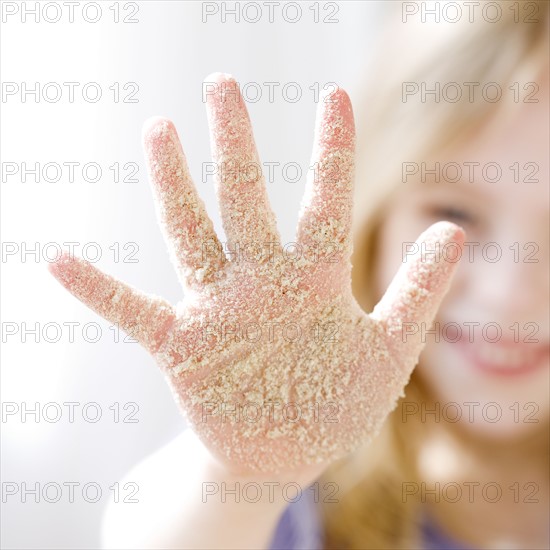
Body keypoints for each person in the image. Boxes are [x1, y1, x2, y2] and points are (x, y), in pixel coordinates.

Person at [49, 2, 549, 548]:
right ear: (377, 220)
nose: (511, 296)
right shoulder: (300, 445)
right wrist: (243, 478)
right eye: (455, 214)